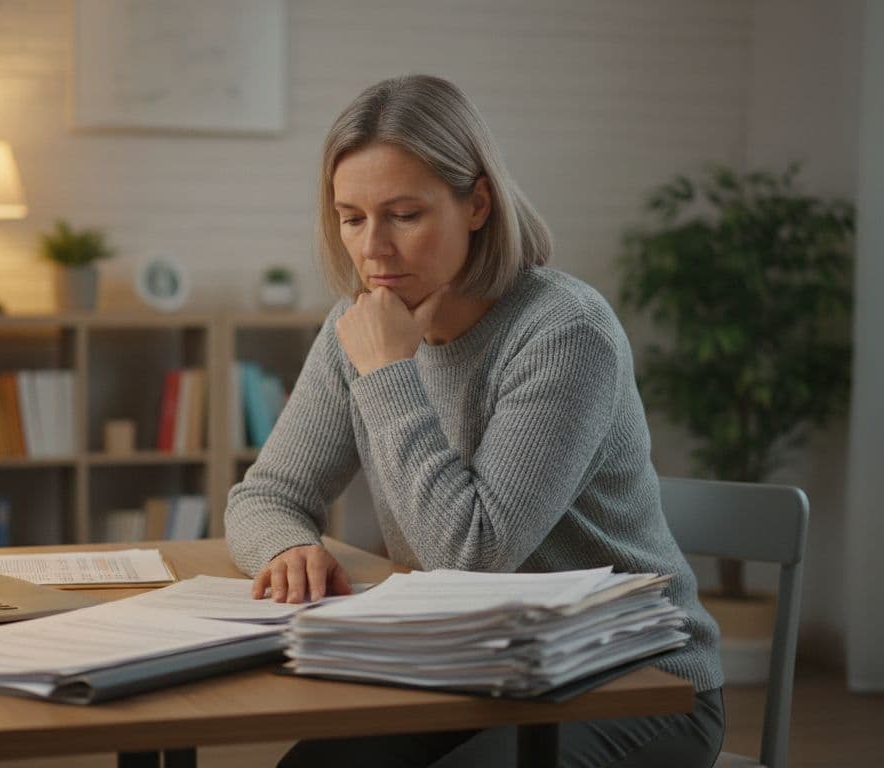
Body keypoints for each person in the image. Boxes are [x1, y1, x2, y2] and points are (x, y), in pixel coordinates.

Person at [224, 74, 725, 768]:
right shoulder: (358, 325)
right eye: (352, 217)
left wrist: (389, 375)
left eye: (404, 214)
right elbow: (265, 494)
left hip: (632, 685)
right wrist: (283, 548)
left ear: (478, 204)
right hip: (464, 668)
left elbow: (473, 553)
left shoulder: (564, 333)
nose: (372, 250)